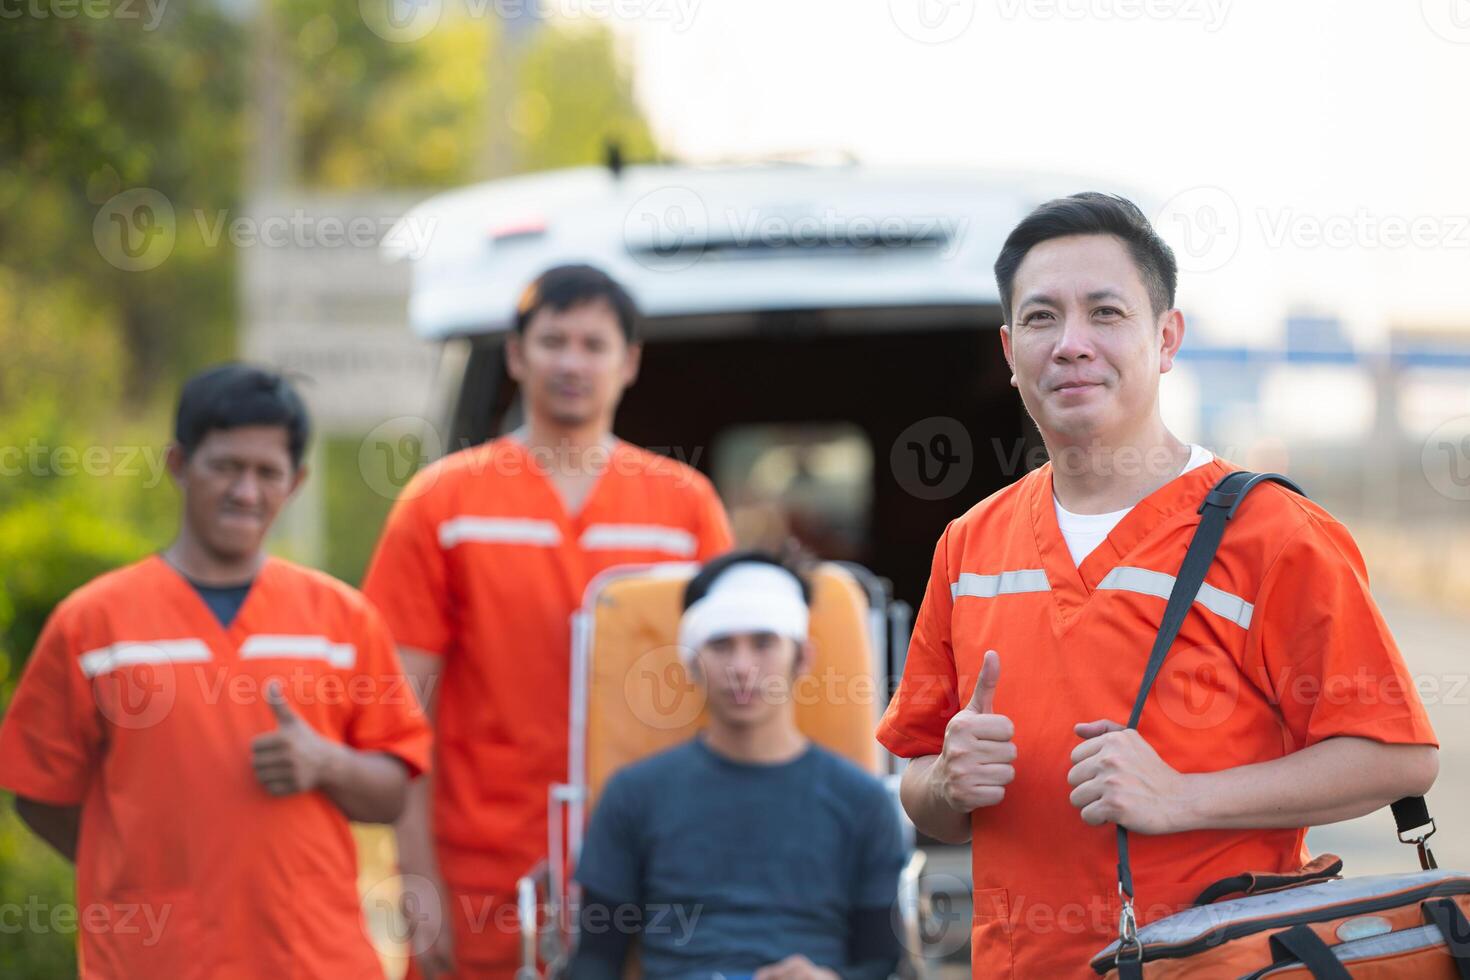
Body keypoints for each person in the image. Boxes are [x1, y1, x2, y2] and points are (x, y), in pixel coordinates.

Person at [876, 193, 1440, 977]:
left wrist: (1184, 797)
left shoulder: (1272, 533)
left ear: (1166, 337)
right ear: (1010, 351)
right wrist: (946, 781)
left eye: (1106, 312)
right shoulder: (968, 544)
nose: (1071, 344)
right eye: (1042, 319)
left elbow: (1397, 758)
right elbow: (917, 786)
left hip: (1221, 965)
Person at [0, 364, 432, 978]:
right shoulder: (94, 626)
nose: (246, 492)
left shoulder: (341, 621)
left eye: (268, 473)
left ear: (297, 481)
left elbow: (393, 792)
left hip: (314, 960)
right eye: (226, 466)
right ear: (179, 464)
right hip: (153, 962)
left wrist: (325, 762)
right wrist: (136, 870)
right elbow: (39, 795)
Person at [363, 264, 734, 978]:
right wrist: (417, 877)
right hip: (479, 871)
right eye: (552, 340)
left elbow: (731, 696)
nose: (571, 361)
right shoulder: (444, 504)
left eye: (593, 344)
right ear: (515, 354)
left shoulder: (684, 508)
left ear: (628, 363)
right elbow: (397, 712)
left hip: (655, 870)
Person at [570, 551, 904, 980]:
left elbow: (883, 963)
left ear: (802, 658)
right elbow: (595, 960)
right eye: (721, 644)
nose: (742, 668)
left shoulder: (862, 801)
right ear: (692, 663)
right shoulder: (634, 795)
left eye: (763, 642)